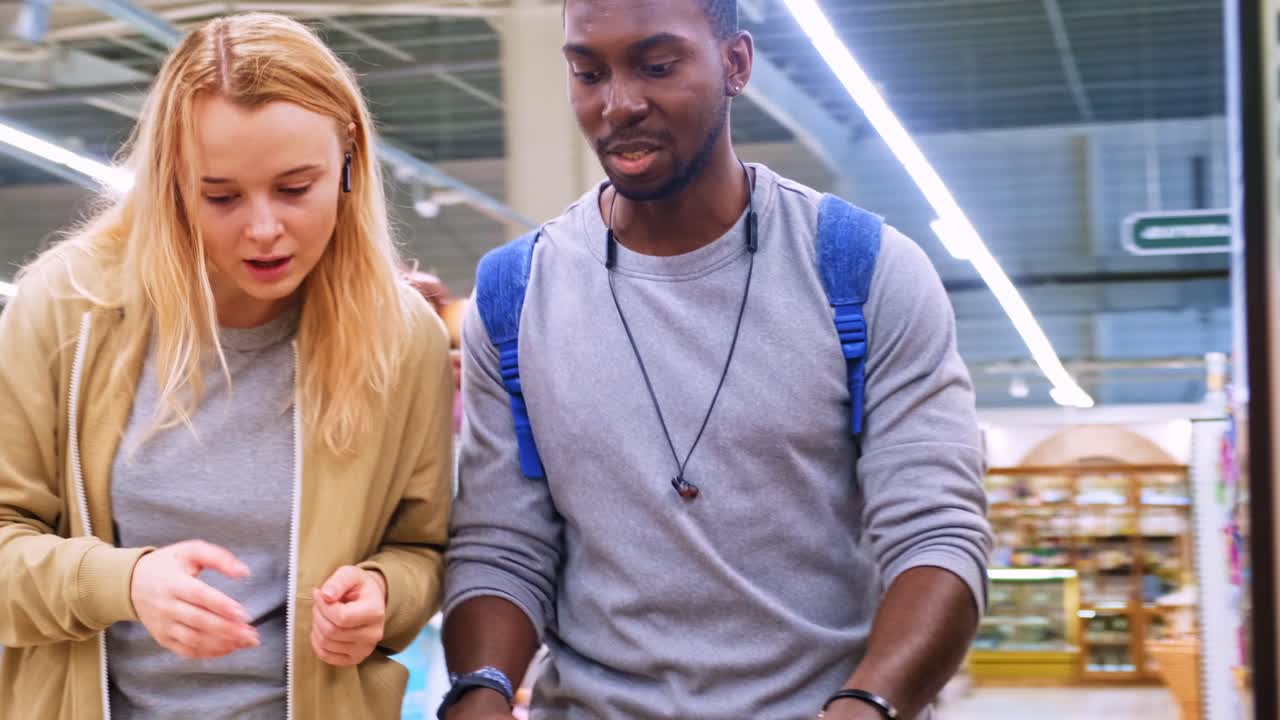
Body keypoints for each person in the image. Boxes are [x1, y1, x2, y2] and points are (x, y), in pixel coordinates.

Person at [441, 1, 992, 719]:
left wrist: (866, 705)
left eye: (658, 66)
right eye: (588, 72)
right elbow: (502, 546)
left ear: (735, 64)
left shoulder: (863, 272)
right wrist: (477, 693)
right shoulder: (514, 297)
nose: (619, 103)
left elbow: (937, 535)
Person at [0, 13, 454, 720]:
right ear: (172, 185)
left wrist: (384, 594)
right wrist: (125, 582)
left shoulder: (401, 338)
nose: (264, 228)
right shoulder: (68, 307)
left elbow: (421, 549)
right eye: (221, 197)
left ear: (349, 163)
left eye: (296, 188)